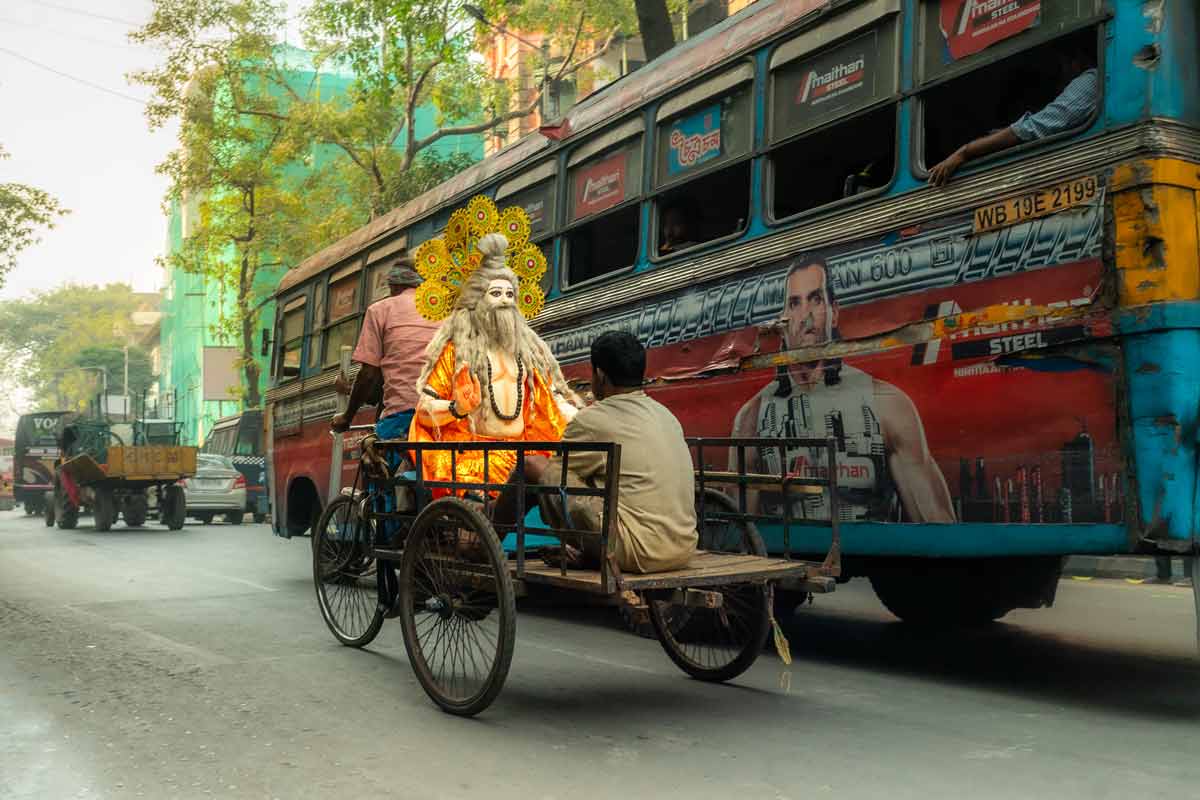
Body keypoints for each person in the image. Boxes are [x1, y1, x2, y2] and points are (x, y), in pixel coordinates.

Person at [730, 255, 955, 523]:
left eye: (816, 299)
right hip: (789, 562)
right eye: (795, 303)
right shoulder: (752, 419)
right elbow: (738, 535)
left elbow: (936, 524)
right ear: (783, 321)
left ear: (834, 313)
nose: (806, 315)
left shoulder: (888, 406)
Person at [492, 331, 698, 574]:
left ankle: (486, 538)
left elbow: (552, 478)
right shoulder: (666, 415)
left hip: (638, 550)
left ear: (599, 374)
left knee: (532, 467)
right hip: (682, 548)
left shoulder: (592, 421)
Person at [411, 233, 579, 495]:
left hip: (525, 457)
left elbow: (551, 403)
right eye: (496, 293)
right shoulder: (457, 355)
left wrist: (582, 419)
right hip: (476, 460)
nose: (505, 300)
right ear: (476, 301)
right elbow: (424, 410)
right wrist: (457, 408)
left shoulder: (525, 355)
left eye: (510, 294)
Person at [927, 45, 1099, 187]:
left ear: (1075, 62)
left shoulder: (1090, 79)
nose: (1061, 80)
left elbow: (1034, 127)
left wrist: (965, 152)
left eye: (1062, 68)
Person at [330, 258, 438, 440]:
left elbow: (368, 375)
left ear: (394, 286)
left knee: (378, 457)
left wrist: (347, 417)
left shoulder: (380, 310)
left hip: (402, 415)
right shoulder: (445, 312)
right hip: (445, 416)